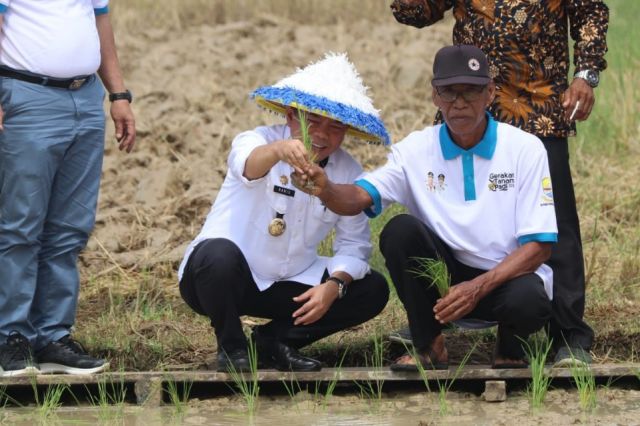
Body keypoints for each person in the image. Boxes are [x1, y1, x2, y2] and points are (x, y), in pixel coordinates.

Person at [295, 45, 556, 369]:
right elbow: (359, 198)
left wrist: (476, 288)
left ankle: (510, 346)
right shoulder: (416, 150)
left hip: (504, 282)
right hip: (443, 286)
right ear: (435, 95)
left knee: (528, 299)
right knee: (399, 231)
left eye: (471, 92)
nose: (459, 103)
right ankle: (429, 345)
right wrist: (326, 188)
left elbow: (540, 247)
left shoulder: (525, 149)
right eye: (449, 92)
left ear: (490, 93)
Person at [388, 0, 609, 366]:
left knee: (554, 225)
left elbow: (591, 12)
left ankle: (568, 334)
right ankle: (434, 320)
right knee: (444, 214)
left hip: (537, 105)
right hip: (469, 103)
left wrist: (586, 74)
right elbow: (415, 12)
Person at [178, 53, 390, 372]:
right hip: (226, 280)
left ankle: (275, 340)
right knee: (217, 255)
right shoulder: (258, 140)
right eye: (312, 120)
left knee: (372, 288)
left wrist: (334, 285)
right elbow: (246, 165)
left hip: (291, 281)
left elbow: (354, 246)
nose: (321, 134)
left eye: (335, 127)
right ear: (291, 116)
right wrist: (279, 151)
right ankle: (232, 347)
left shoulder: (347, 171)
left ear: (345, 131)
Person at [0, 1, 136, 377]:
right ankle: (9, 336)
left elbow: (100, 22)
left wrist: (119, 94)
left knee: (69, 228)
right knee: (20, 225)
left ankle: (52, 336)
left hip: (85, 98)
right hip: (26, 96)